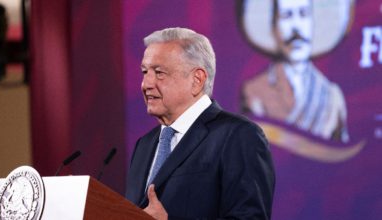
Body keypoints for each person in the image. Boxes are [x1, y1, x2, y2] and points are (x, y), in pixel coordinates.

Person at [126, 27, 275, 219]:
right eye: (145, 72)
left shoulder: (238, 136)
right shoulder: (144, 145)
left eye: (159, 72)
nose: (146, 84)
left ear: (197, 80)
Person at [241, 0, 349, 142]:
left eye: (303, 14)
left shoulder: (332, 96)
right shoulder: (255, 93)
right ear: (273, 26)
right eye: (287, 16)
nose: (296, 27)